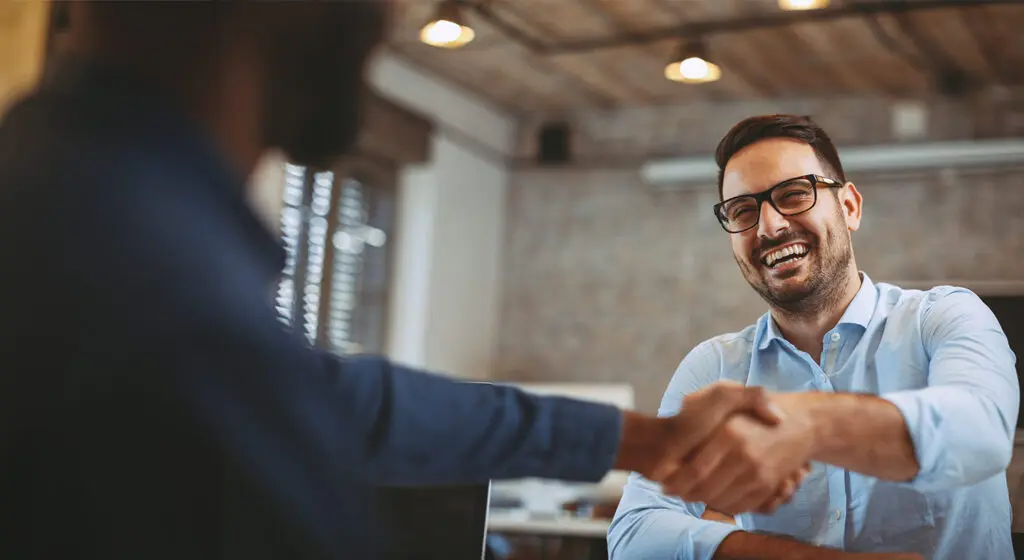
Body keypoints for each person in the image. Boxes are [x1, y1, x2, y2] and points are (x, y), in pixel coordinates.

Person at [0, 4, 804, 559]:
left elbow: (351, 404)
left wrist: (641, 440)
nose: (388, 17)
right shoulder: (160, 291)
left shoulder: (69, 191)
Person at [607, 114, 1019, 560]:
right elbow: (634, 534)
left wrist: (807, 425)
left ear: (849, 207)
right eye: (743, 211)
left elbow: (981, 432)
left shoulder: (945, 316)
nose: (769, 227)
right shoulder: (715, 367)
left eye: (794, 195)